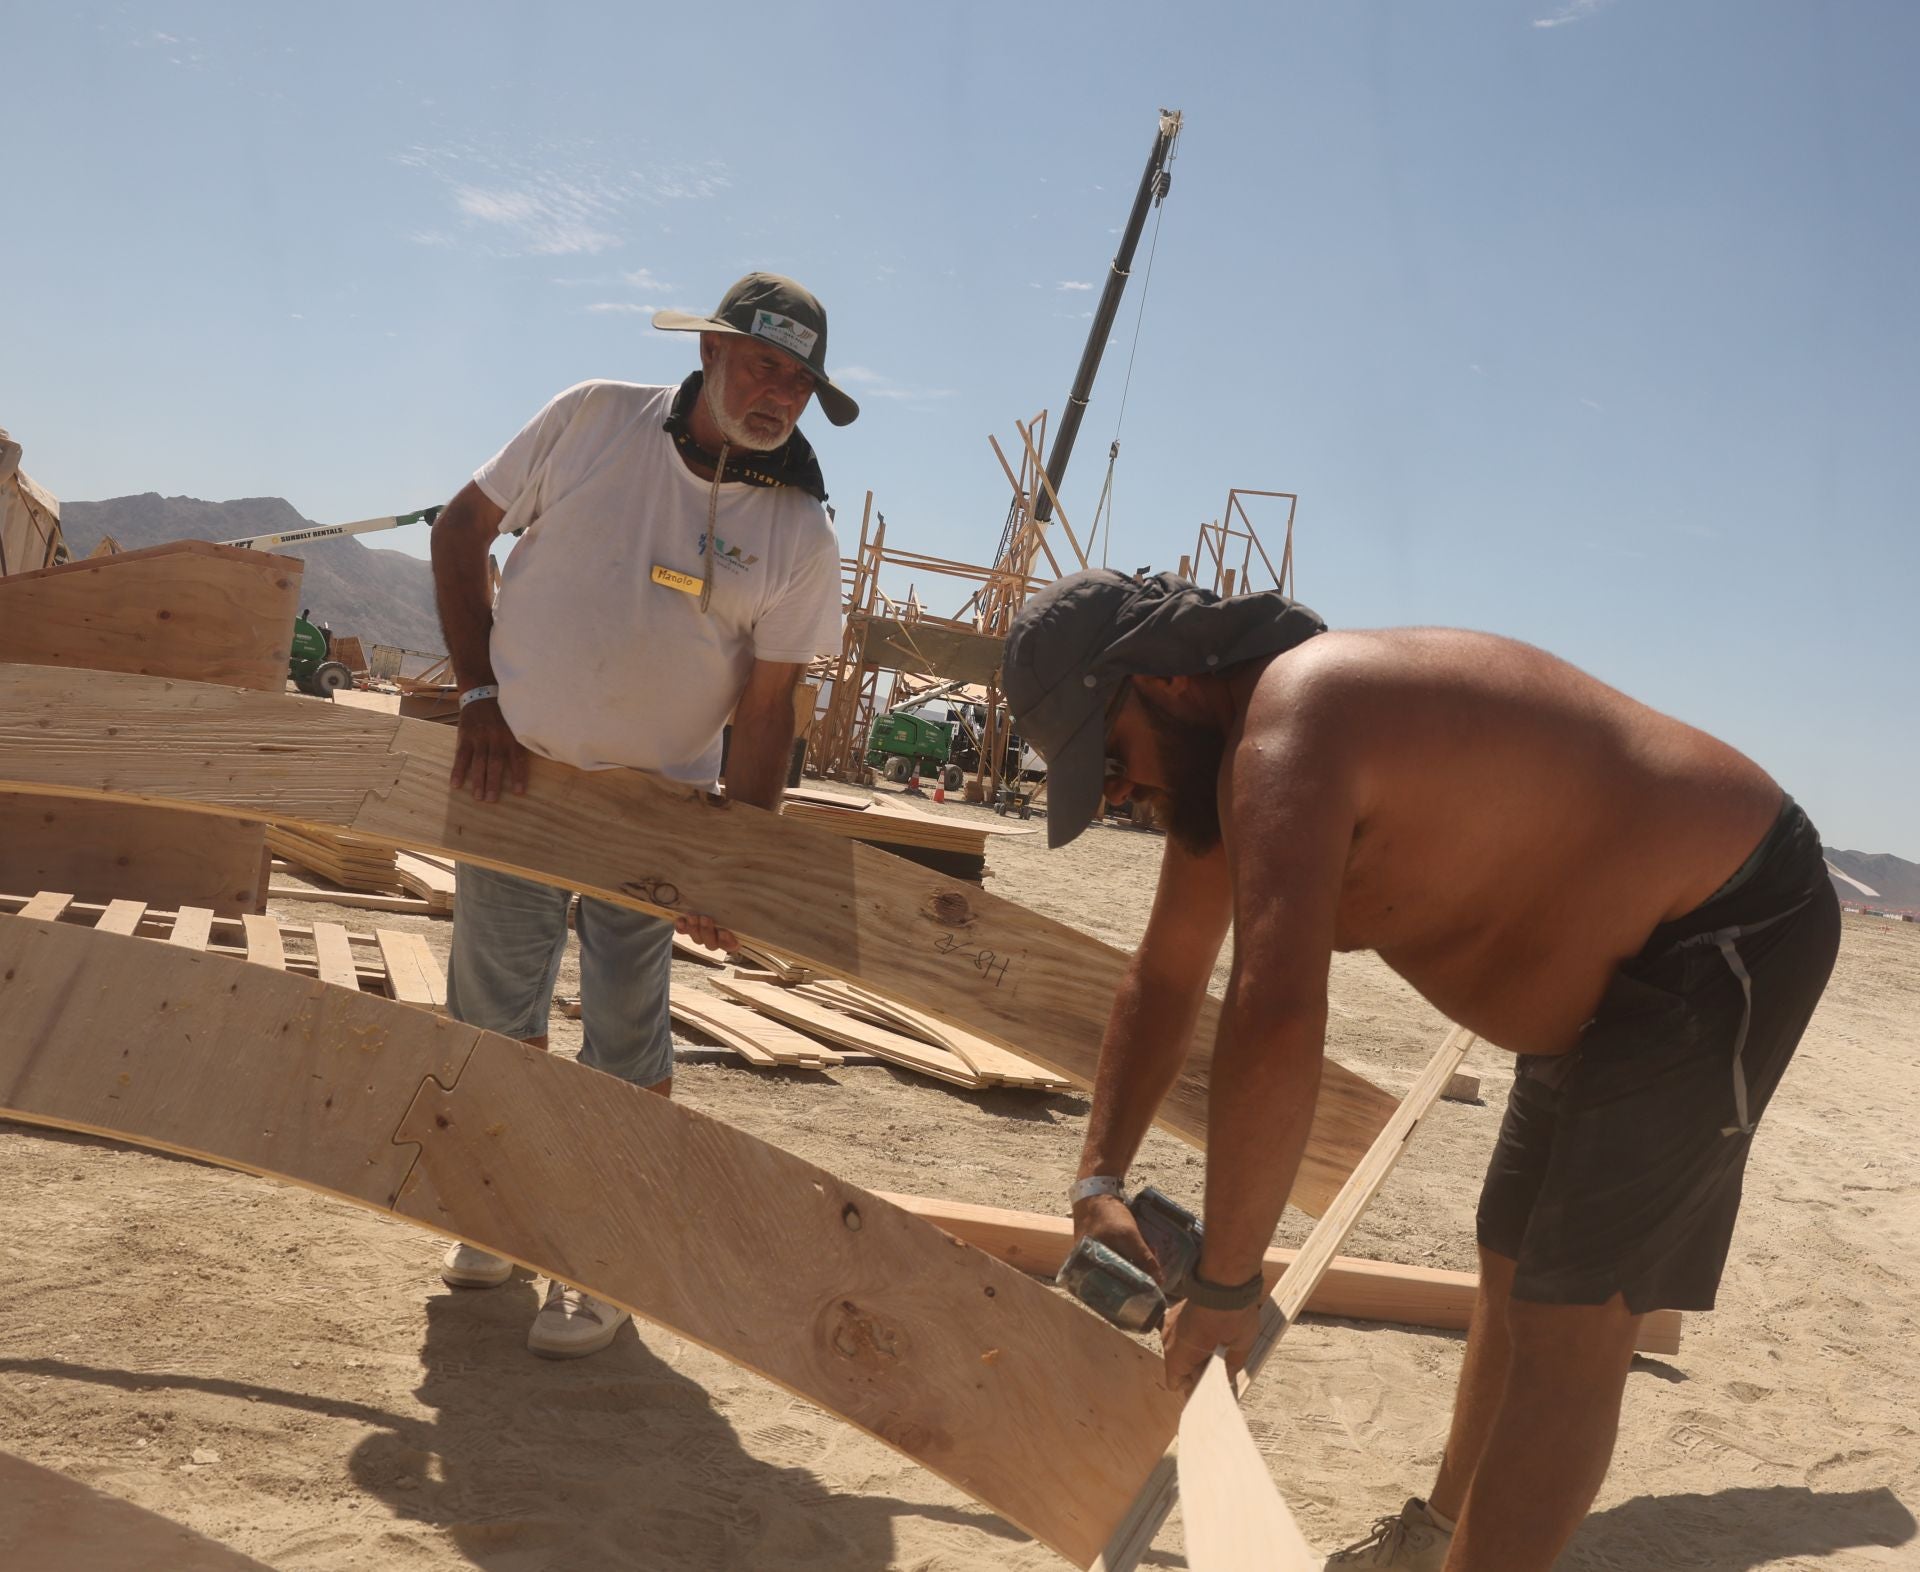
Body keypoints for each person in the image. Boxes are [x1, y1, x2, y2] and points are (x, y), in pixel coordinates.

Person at [1003, 570, 1839, 1571]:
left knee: (1572, 1323)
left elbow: (1276, 1013)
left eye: (1109, 758)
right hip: (1609, 977)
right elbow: (1168, 977)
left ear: (1167, 681)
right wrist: (1096, 1179)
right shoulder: (1232, 769)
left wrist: (1227, 1283)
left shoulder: (1297, 720)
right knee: (1511, 1261)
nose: (1114, 794)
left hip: (1728, 921)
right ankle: (1439, 1539)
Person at [427, 273, 857, 1358]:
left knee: (625, 1033)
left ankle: (607, 1261)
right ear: (710, 351)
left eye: (800, 382)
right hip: (516, 776)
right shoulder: (593, 420)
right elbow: (460, 532)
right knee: (493, 1016)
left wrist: (728, 866)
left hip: (658, 814)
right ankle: (497, 1220)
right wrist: (477, 696)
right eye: (762, 365)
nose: (779, 395)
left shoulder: (799, 531)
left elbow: (767, 711)